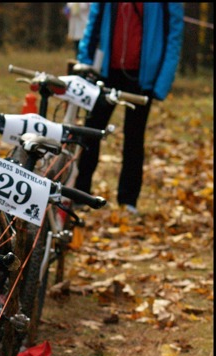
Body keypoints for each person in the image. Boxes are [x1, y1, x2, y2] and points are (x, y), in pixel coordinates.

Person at [74, 3, 184, 215]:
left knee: (134, 139)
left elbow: (173, 38)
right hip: (104, 74)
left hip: (142, 79)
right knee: (91, 132)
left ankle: (128, 201)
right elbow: (93, 25)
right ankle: (80, 192)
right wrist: (85, 64)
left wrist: (160, 83)